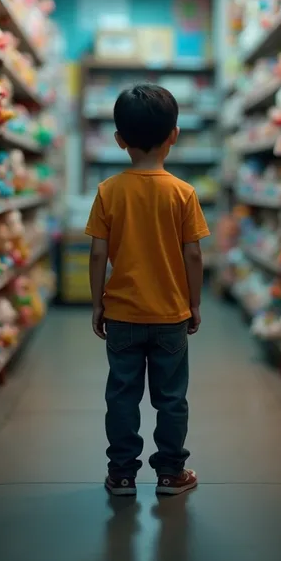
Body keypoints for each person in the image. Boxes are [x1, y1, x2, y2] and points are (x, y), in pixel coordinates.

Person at [85, 84, 210, 497]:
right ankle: (171, 474)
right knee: (171, 399)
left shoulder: (108, 191)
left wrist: (96, 302)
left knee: (122, 396)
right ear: (174, 135)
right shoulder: (183, 193)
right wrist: (193, 303)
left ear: (119, 140)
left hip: (122, 315)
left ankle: (121, 474)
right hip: (171, 315)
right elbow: (194, 256)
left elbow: (98, 253)